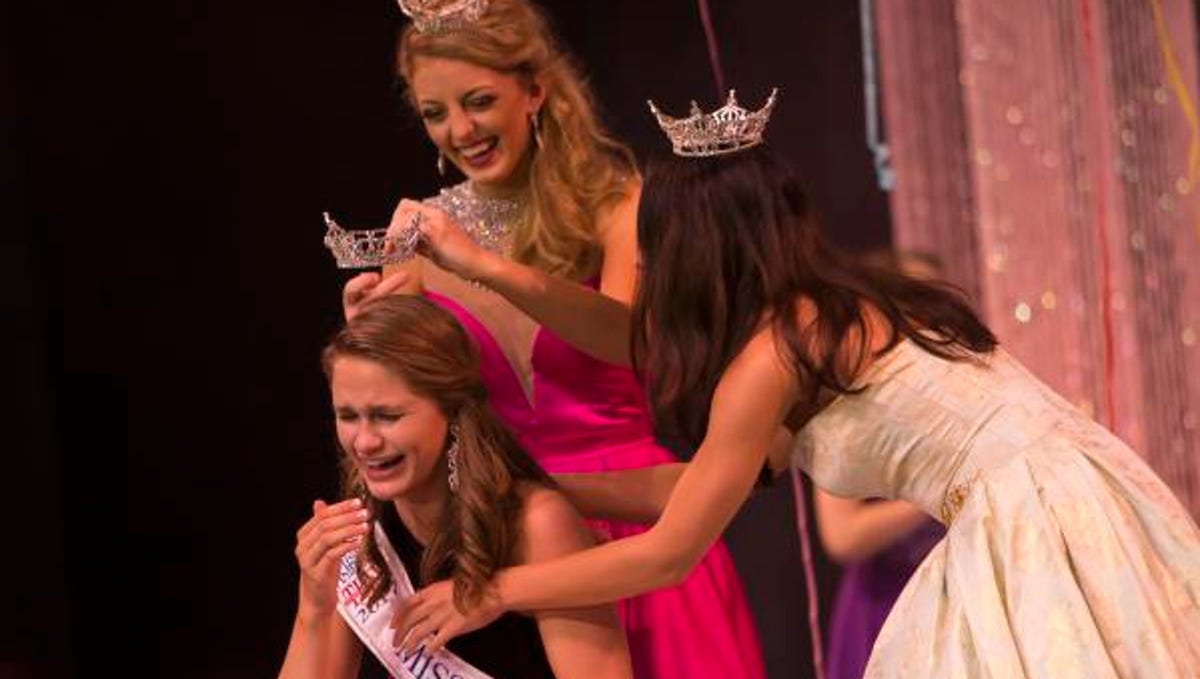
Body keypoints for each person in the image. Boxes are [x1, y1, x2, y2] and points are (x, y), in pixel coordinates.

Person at [390, 89, 1200, 677]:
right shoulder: (818, 318)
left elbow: (674, 549)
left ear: (697, 248)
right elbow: (694, 485)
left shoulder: (777, 353)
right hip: (1065, 490)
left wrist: (492, 591)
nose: (641, 261)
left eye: (654, 243)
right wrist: (542, 488)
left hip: (1035, 517)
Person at [342, 2, 765, 677]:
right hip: (516, 547)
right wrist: (367, 329)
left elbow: (629, 339)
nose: (461, 130)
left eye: (479, 101)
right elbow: (405, 406)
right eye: (436, 112)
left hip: (647, 530)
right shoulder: (415, 242)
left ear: (534, 89)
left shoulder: (616, 204)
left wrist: (484, 267)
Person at [278, 295, 631, 679]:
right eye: (347, 416)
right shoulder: (357, 528)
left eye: (387, 416)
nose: (364, 442)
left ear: (452, 410)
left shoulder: (536, 523)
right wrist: (315, 607)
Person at [816, 249, 947, 679]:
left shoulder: (959, 399)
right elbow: (842, 535)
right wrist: (936, 498)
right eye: (917, 306)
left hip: (959, 597)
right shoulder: (850, 408)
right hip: (887, 608)